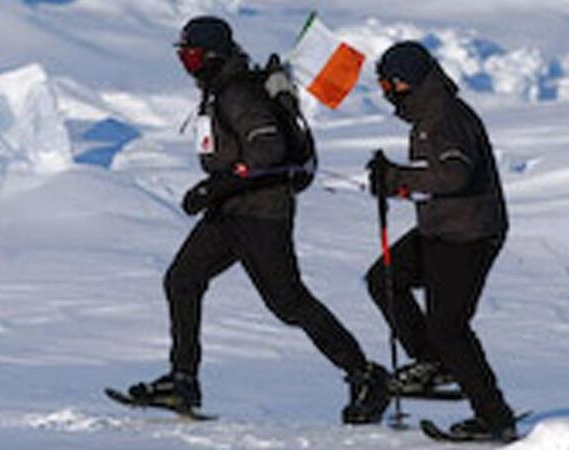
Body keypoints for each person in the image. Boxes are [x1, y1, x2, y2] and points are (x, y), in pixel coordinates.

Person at [126, 16, 390, 425]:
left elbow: (267, 151)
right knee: (182, 280)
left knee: (288, 302)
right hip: (233, 209)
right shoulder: (222, 89)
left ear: (211, 55)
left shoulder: (238, 93)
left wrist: (211, 190)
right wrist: (218, 192)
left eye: (191, 55)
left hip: (261, 212)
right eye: (182, 55)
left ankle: (366, 375)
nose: (186, 63)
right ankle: (182, 380)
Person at [366, 41, 516, 441]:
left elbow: (454, 175)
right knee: (384, 278)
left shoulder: (445, 117)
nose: (385, 92)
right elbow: (433, 177)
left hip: (469, 234)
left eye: (388, 84)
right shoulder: (428, 115)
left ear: (406, 82)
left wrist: (398, 177)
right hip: (443, 228)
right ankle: (434, 363)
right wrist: (392, 181)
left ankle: (494, 417)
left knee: (449, 326)